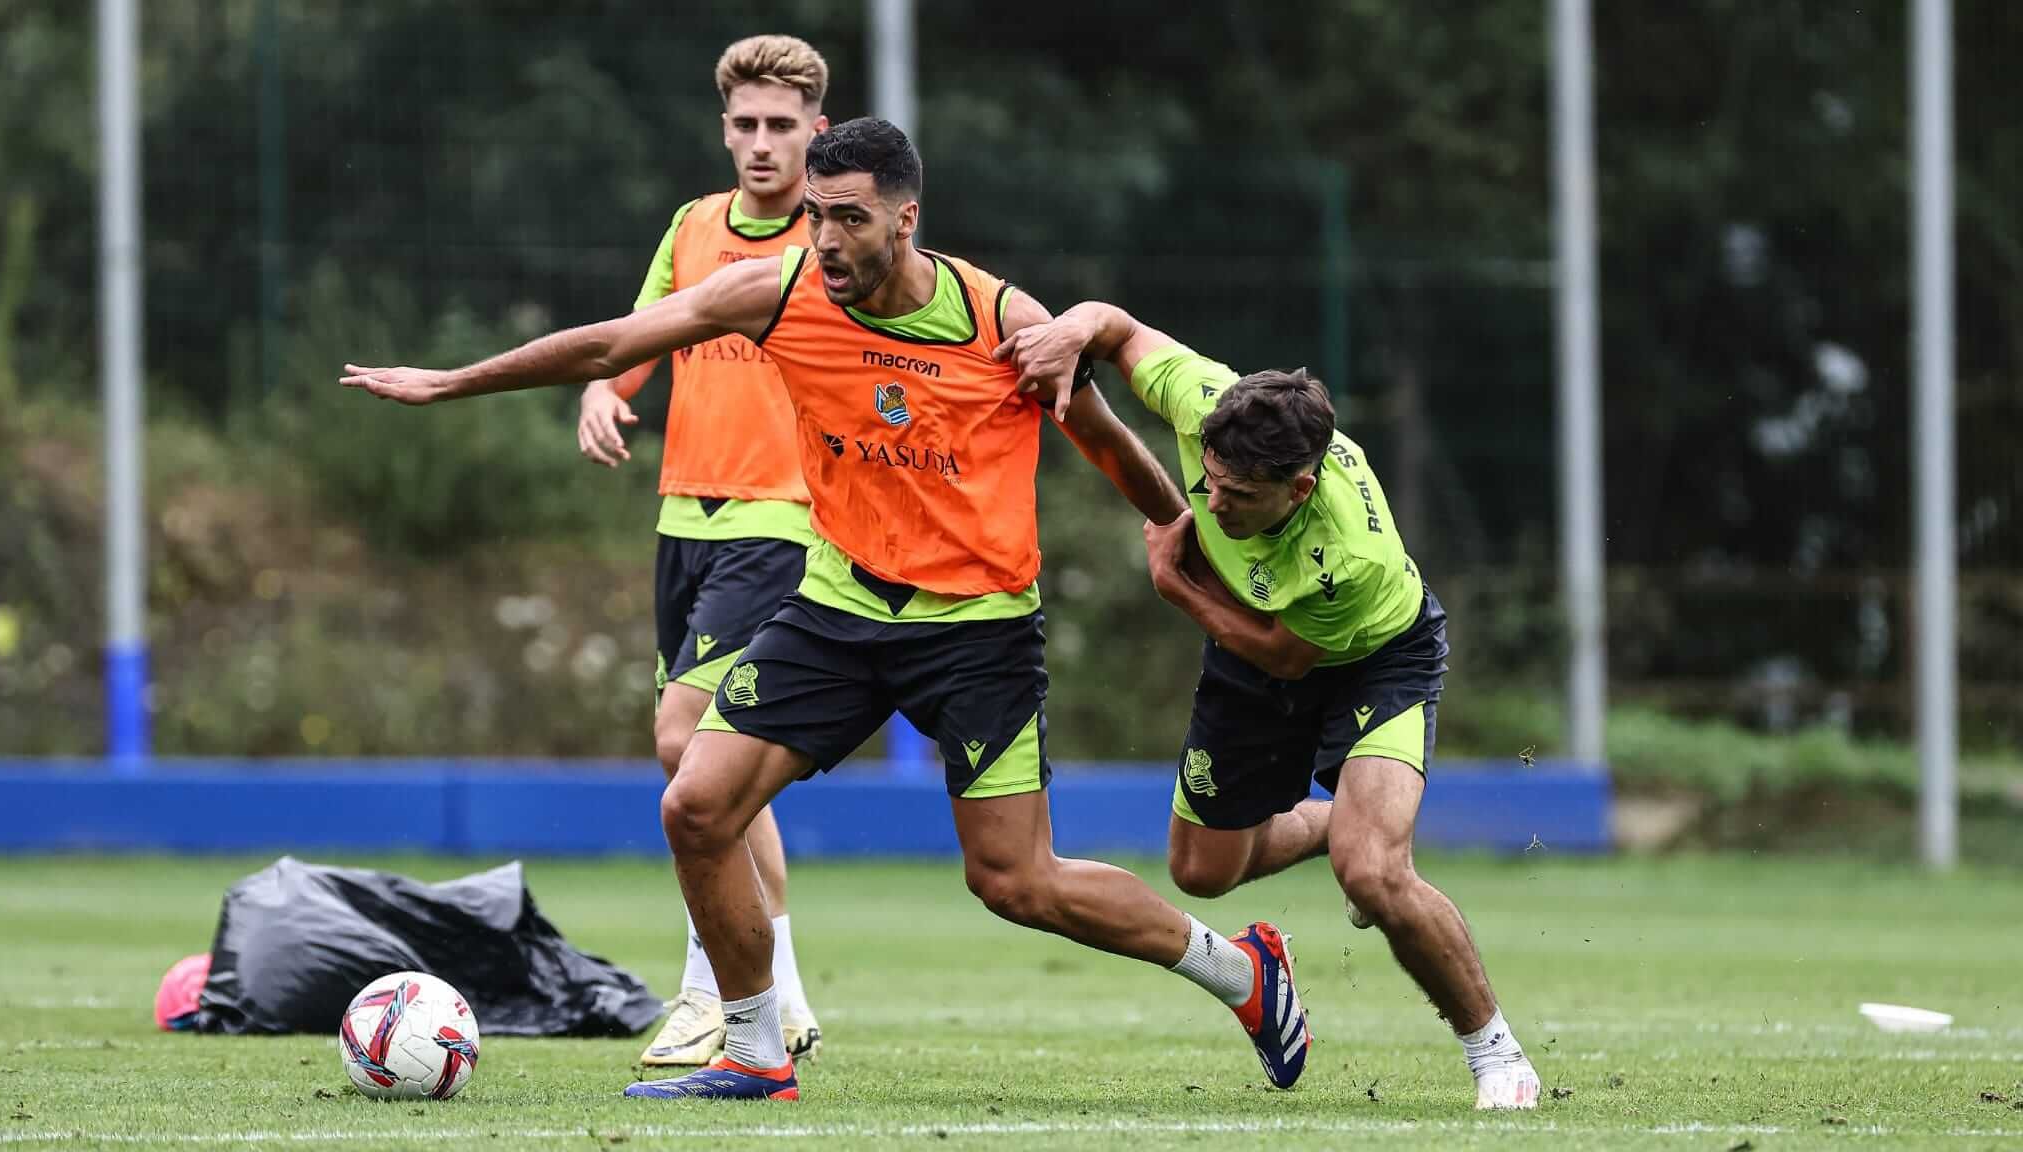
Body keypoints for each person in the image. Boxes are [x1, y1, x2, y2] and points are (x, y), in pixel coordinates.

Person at [342, 118, 1314, 1103]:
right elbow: (613, 342)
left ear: (906, 217)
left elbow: (1102, 440)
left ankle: (1238, 972)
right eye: (814, 216)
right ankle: (755, 1050)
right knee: (697, 806)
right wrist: (454, 382)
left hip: (976, 633)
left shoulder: (999, 320)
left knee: (1014, 883)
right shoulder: (777, 292)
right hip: (837, 611)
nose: (827, 240)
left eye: (848, 218)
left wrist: (1179, 536)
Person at [1001, 302, 1545, 1110]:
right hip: (1250, 654)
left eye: (1241, 497)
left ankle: (1496, 1053)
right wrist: (1072, 332)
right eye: (1210, 482)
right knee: (1202, 870)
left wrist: (1177, 589)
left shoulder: (1346, 556)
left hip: (1371, 662)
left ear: (1299, 487)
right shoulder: (1203, 397)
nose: (1214, 506)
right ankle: (1345, 824)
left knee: (1377, 874)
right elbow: (1115, 328)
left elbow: (1286, 655)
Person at [573, 33, 831, 1073]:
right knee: (713, 769)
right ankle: (785, 998)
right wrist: (602, 391)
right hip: (683, 521)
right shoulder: (690, 227)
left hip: (782, 522)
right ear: (723, 128)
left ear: (817, 129)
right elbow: (636, 338)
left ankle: (711, 996)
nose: (762, 144)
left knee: (686, 741)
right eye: (745, 125)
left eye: (782, 126)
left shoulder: (837, 236)